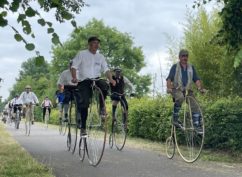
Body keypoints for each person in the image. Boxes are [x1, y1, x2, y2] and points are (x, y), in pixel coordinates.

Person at [71, 36, 116, 135]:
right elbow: (74, 67)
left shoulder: (101, 57)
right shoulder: (82, 54)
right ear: (89, 44)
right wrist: (74, 77)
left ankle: (102, 108)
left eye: (98, 43)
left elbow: (106, 70)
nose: (96, 45)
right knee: (84, 103)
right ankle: (83, 127)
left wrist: (111, 79)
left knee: (104, 85)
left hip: (96, 79)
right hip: (84, 80)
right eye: (94, 43)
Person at [166, 49, 206, 134]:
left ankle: (196, 126)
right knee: (180, 97)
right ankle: (175, 118)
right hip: (177, 89)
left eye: (186, 56)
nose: (185, 57)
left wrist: (200, 88)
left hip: (187, 90)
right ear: (179, 57)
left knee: (196, 105)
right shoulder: (175, 67)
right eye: (183, 56)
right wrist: (169, 88)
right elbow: (169, 79)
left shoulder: (191, 67)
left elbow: (197, 79)